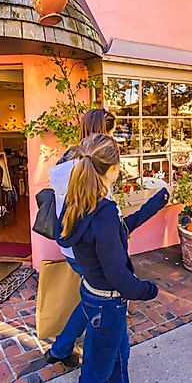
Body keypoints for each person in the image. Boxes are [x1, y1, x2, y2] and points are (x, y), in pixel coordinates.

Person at [56, 134, 167, 383]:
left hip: (93, 295)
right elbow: (119, 276)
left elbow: (118, 231)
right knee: (94, 376)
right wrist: (148, 289)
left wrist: (154, 205)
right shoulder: (102, 211)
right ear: (114, 169)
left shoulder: (79, 202)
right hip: (108, 303)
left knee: (117, 360)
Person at [45, 108, 117, 368]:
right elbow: (99, 206)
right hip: (89, 244)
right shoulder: (95, 161)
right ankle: (65, 348)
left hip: (70, 239)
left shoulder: (67, 157)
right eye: (110, 130)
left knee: (91, 294)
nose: (113, 136)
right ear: (103, 130)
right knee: (98, 297)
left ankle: (61, 348)